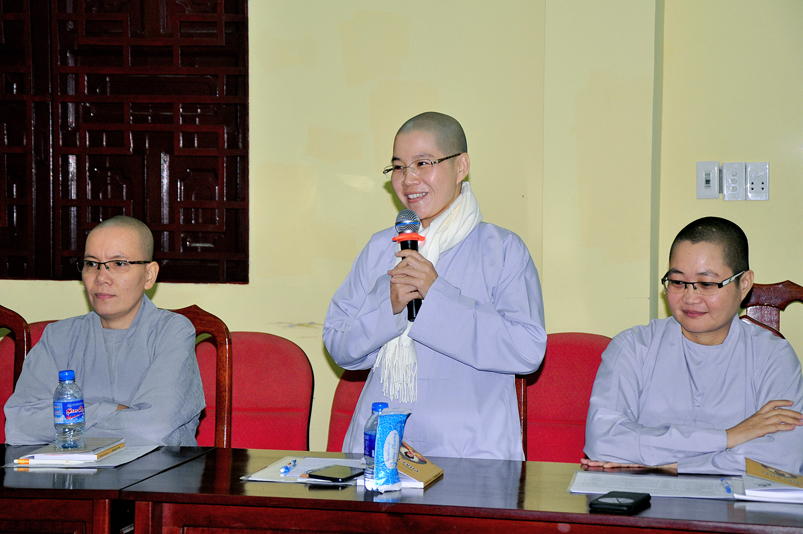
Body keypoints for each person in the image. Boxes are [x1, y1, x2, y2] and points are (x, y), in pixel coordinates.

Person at [323, 112, 547, 460]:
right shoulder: (380, 248)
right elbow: (338, 344)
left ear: (461, 167)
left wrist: (438, 295)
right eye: (398, 167)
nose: (408, 179)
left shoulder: (502, 250)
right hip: (384, 452)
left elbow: (527, 350)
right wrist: (388, 306)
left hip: (472, 453)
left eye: (423, 163)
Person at [583, 216, 803, 474]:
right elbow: (603, 441)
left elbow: (783, 458)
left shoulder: (772, 356)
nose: (689, 298)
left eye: (706, 284)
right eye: (677, 282)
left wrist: (672, 464)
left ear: (744, 284)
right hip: (644, 498)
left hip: (735, 500)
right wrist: (728, 437)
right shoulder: (633, 347)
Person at [5, 216, 205, 446]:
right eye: (91, 264)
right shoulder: (58, 337)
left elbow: (150, 429)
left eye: (119, 263)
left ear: (149, 275)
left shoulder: (172, 332)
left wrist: (68, 423)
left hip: (157, 468)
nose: (101, 278)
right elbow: (19, 426)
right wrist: (109, 410)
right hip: (70, 468)